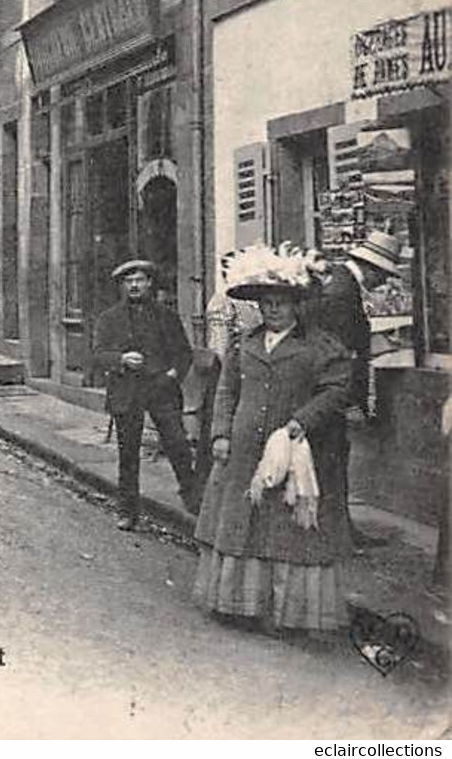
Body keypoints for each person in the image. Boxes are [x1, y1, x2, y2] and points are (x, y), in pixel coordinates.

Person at [194, 244, 352, 634]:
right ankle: (239, 604)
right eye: (266, 304)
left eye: (281, 303)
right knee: (242, 523)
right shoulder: (244, 344)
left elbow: (336, 391)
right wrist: (220, 434)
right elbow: (227, 391)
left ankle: (289, 613)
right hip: (245, 451)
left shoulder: (320, 346)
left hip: (294, 451)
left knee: (287, 531)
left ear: (296, 305)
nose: (273, 311)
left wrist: (302, 421)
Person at [303, 231, 403, 552]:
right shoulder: (342, 292)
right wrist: (346, 401)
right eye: (384, 275)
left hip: (329, 393)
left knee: (333, 462)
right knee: (331, 463)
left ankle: (340, 530)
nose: (383, 282)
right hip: (329, 394)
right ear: (372, 268)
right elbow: (336, 352)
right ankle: (334, 535)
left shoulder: (341, 283)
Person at [92, 259, 199, 530]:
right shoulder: (109, 319)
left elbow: (184, 354)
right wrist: (121, 359)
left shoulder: (167, 316)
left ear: (150, 283)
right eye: (129, 282)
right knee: (128, 454)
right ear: (123, 286)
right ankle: (127, 510)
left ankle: (193, 499)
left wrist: (172, 376)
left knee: (178, 445)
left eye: (139, 280)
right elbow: (97, 356)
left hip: (161, 390)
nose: (134, 286)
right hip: (126, 390)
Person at [200, 252, 261, 496]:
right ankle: (209, 493)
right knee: (220, 431)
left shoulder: (254, 303)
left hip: (249, 372)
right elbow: (219, 346)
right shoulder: (222, 301)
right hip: (228, 374)